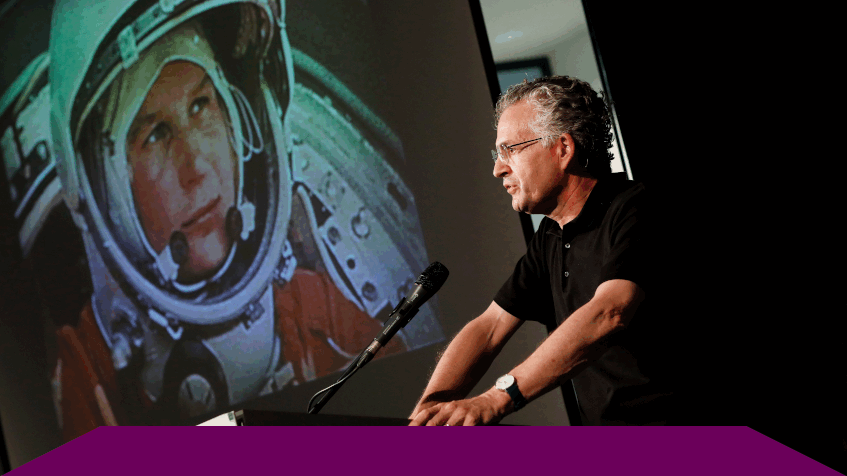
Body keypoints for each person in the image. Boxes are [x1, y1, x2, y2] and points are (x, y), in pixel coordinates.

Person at [46, 0, 435, 440]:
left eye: (201, 106)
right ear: (107, 190)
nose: (197, 168)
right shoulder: (84, 382)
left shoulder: (322, 320)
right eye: (155, 134)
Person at [409, 76, 675, 426]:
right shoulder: (551, 234)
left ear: (563, 149)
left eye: (510, 150)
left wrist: (495, 400)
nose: (497, 168)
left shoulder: (635, 208)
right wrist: (430, 409)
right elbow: (490, 327)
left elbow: (610, 311)